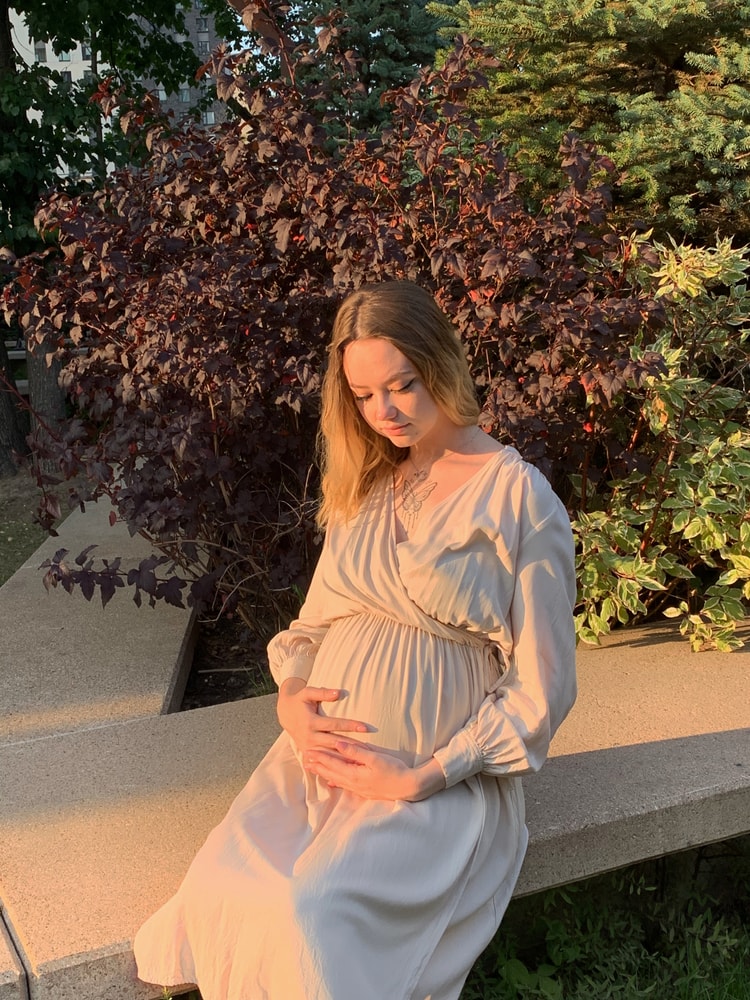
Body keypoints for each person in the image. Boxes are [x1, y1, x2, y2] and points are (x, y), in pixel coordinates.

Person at [134, 280, 577, 1000]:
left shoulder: (516, 496)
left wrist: (425, 774)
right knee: (225, 881)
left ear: (441, 366)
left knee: (311, 909)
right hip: (316, 761)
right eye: (364, 395)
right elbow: (312, 627)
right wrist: (290, 699)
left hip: (433, 777)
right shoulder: (369, 490)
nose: (384, 412)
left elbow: (543, 683)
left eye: (401, 386)